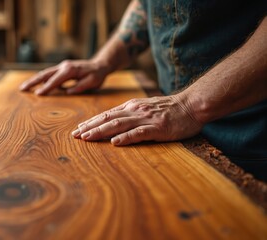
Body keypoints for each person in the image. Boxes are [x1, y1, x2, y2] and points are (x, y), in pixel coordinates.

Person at [19, 0, 267, 180]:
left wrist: (188, 106)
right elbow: (148, 5)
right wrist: (102, 62)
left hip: (248, 131)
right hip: (170, 122)